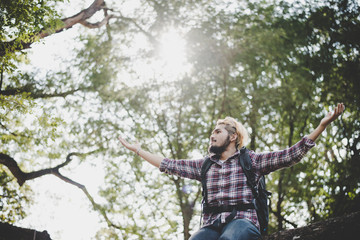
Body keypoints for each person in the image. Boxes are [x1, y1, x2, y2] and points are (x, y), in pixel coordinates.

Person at [119, 103, 345, 240]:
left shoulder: (251, 161)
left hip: (242, 223)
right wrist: (139, 150)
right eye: (212, 133)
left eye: (217, 131)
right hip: (211, 226)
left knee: (231, 237)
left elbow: (291, 155)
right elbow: (168, 164)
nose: (212, 135)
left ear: (233, 136)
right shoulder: (204, 165)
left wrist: (321, 126)